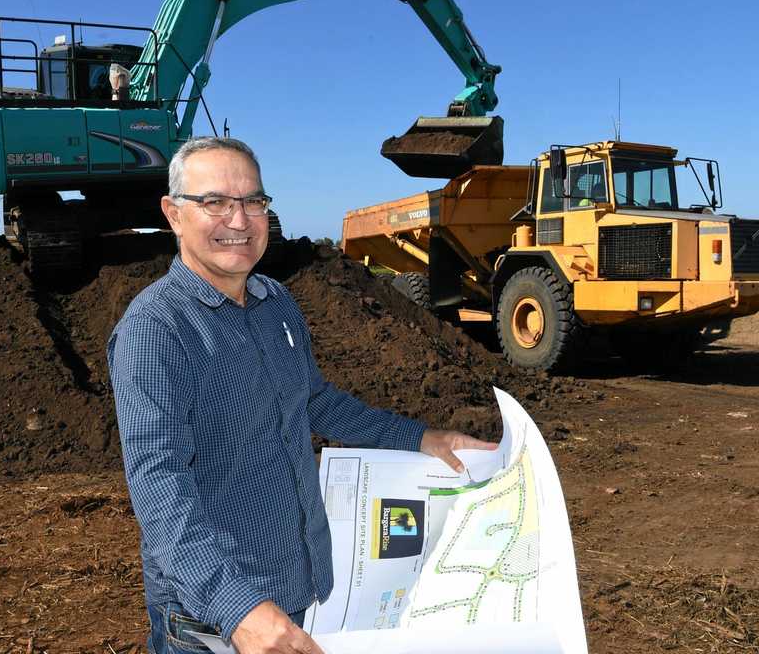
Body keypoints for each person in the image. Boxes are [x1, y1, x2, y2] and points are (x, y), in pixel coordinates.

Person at [107, 137, 495, 654]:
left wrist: (421, 438)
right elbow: (158, 485)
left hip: (296, 591)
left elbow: (313, 401)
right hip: (214, 621)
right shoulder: (157, 329)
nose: (239, 220)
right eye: (215, 202)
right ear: (174, 214)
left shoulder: (276, 303)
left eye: (253, 202)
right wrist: (236, 608)